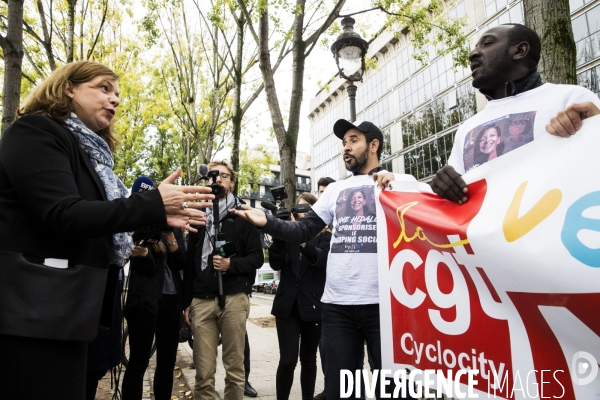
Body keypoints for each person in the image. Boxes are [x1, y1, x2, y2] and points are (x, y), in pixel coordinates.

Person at [0, 60, 213, 400]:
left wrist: (155, 219)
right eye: (104, 88)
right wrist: (152, 203)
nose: (115, 99)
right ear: (68, 87)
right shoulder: (35, 132)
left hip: (70, 311)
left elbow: (98, 220)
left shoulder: (93, 157)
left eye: (117, 94)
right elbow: (63, 215)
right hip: (32, 317)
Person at [231, 120, 415, 400]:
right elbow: (303, 229)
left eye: (353, 140)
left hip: (386, 306)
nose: (346, 147)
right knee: (340, 392)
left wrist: (398, 190)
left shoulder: (400, 183)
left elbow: (431, 218)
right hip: (337, 309)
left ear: (374, 145)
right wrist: (267, 222)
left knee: (393, 392)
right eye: (344, 143)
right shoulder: (335, 191)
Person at [431, 23, 600, 203]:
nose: (472, 54)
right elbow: (458, 197)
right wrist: (444, 185)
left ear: (520, 50)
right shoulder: (466, 129)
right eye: (475, 47)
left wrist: (594, 125)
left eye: (487, 44)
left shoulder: (570, 98)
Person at [183, 160, 263, 400]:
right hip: (201, 299)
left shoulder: (243, 215)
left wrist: (231, 264)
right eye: (213, 176)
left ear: (232, 182)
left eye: (224, 176)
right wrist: (187, 301)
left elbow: (257, 258)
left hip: (234, 298)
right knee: (204, 375)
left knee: (234, 369)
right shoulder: (198, 216)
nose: (217, 180)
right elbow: (190, 262)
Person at [121, 180, 188, 400]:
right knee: (138, 361)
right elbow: (146, 268)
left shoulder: (174, 226)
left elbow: (181, 263)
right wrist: (143, 254)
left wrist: (170, 239)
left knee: (167, 362)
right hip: (144, 300)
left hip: (170, 301)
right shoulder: (141, 222)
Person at [269, 193, 331, 400]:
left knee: (309, 359)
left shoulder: (326, 236)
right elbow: (276, 263)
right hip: (287, 307)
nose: (300, 214)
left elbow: (320, 260)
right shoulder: (287, 234)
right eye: (297, 210)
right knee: (287, 360)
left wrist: (301, 238)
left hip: (312, 306)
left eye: (305, 210)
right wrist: (280, 232)